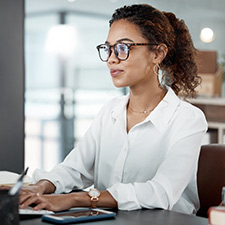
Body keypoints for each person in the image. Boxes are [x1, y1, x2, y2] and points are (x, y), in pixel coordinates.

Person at [19, 4, 207, 214]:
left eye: (123, 48)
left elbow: (161, 192)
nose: (111, 59)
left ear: (158, 53)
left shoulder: (187, 118)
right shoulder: (110, 111)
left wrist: (77, 199)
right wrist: (40, 186)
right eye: (108, 48)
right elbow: (75, 168)